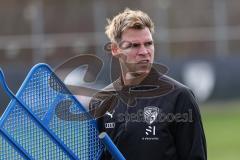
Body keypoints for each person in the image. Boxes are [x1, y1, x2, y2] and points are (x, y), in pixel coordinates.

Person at [89, 8, 207, 160]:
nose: (144, 51)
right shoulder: (100, 101)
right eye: (134, 45)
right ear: (115, 49)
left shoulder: (179, 96)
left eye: (148, 43)